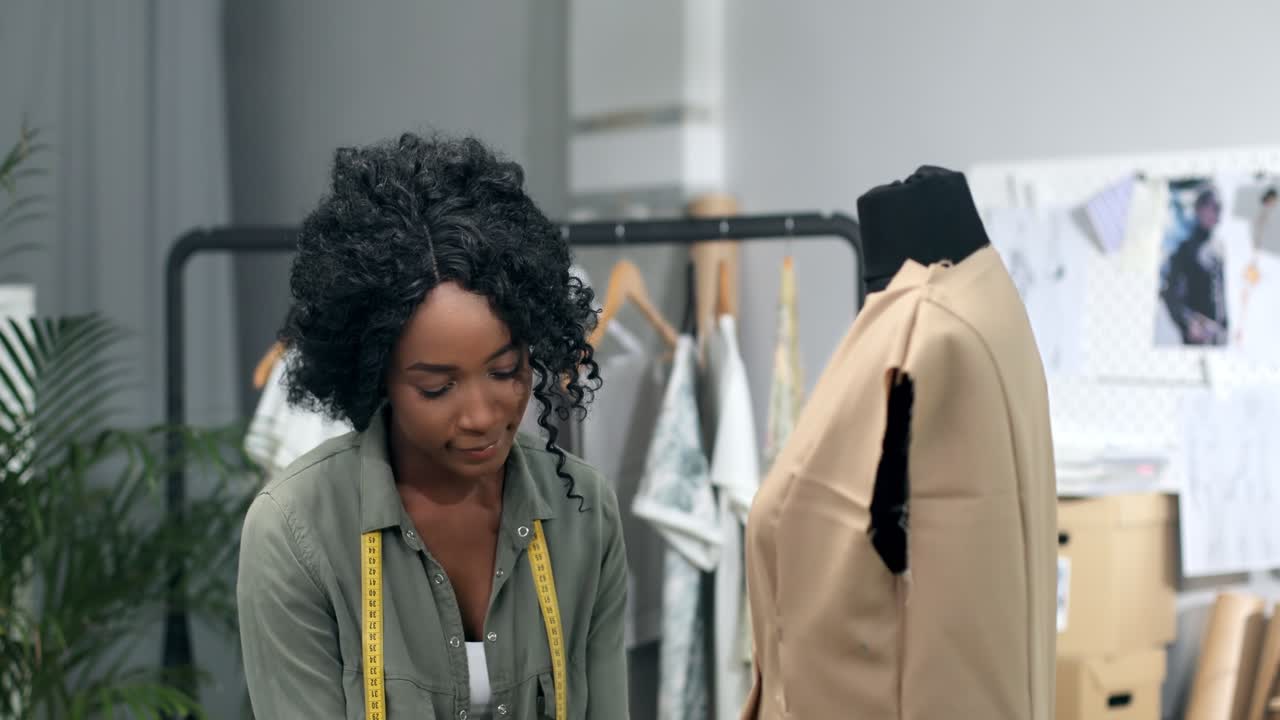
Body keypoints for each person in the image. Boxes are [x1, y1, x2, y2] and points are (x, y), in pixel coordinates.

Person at [236, 132, 629, 719]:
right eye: (436, 387)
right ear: (376, 376)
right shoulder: (296, 534)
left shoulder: (583, 513)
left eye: (504, 370)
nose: (480, 416)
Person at [1161, 187, 1228, 346]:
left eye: (1220, 207)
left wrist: (1225, 328)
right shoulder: (1184, 249)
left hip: (1218, 339)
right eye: (1213, 206)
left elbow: (1221, 296)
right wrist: (1189, 323)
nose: (1217, 212)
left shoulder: (1218, 248)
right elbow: (1170, 294)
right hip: (1197, 339)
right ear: (1199, 209)